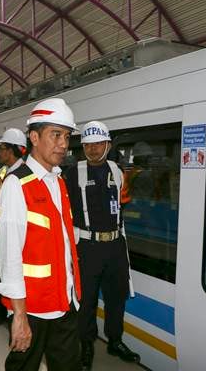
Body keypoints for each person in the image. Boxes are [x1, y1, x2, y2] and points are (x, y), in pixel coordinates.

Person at [0, 97, 82, 371]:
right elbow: (9, 256)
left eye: (67, 136)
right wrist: (18, 316)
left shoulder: (59, 181)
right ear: (34, 137)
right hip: (33, 307)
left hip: (64, 300)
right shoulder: (17, 184)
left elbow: (65, 241)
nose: (63, 144)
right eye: (55, 135)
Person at [64, 121, 139, 370]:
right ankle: (86, 345)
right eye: (88, 144)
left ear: (107, 144)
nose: (94, 149)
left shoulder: (118, 171)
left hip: (115, 246)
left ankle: (115, 340)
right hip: (88, 247)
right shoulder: (72, 173)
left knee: (117, 297)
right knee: (86, 302)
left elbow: (122, 203)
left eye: (98, 143)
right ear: (82, 147)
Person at [0, 128, 27, 327]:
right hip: (1, 231)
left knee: (14, 273)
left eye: (2, 148)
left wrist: (1, 186)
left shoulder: (25, 174)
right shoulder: (2, 172)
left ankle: (16, 314)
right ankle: (2, 312)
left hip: (17, 235)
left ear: (12, 150)